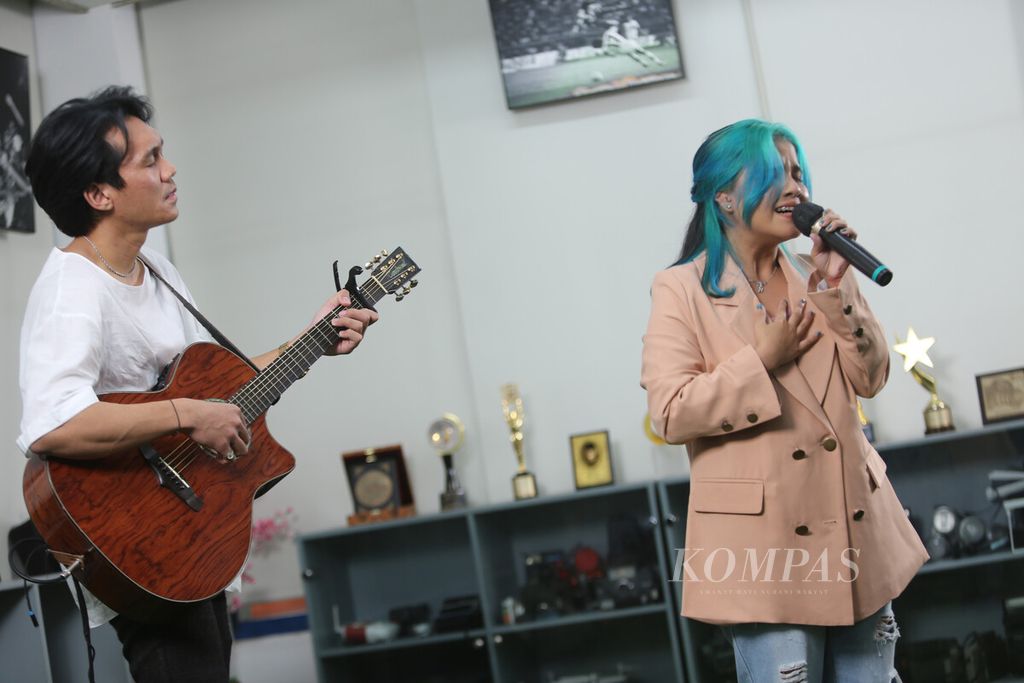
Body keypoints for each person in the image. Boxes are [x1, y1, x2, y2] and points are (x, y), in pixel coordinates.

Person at [18, 86, 378, 682]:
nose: (170, 168)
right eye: (150, 160)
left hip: (190, 528)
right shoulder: (72, 290)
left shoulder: (156, 270)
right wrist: (187, 415)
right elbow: (54, 423)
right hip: (136, 537)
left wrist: (312, 339)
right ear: (99, 193)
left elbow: (220, 392)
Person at [641, 119, 928, 682]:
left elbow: (870, 378)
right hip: (765, 549)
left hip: (853, 524)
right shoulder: (680, 289)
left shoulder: (814, 273)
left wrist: (835, 287)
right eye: (776, 174)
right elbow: (671, 410)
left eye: (799, 172)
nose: (796, 188)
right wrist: (760, 361)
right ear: (723, 196)